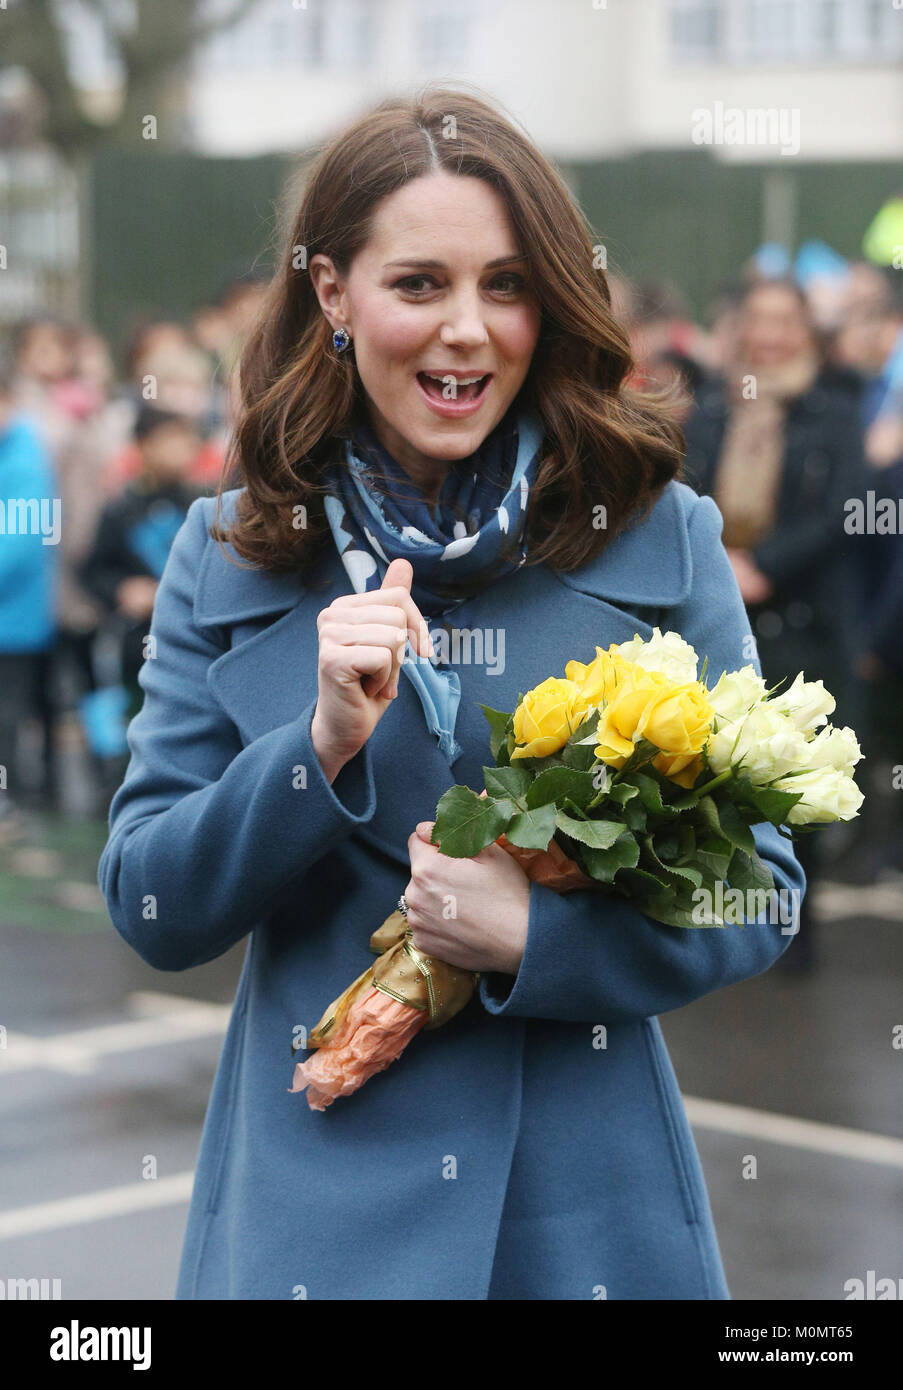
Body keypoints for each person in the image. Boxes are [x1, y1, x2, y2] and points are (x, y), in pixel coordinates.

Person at [97, 86, 804, 1301]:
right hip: (313, 1226)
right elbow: (151, 901)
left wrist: (542, 938)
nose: (468, 330)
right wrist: (315, 752)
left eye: (509, 285)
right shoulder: (227, 554)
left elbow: (763, 885)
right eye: (418, 284)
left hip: (583, 1220)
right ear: (333, 293)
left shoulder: (659, 537)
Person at [683, 278, 865, 967]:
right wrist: (720, 562)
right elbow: (683, 497)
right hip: (721, 608)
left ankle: (795, 927)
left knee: (801, 778)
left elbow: (844, 512)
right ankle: (726, 922)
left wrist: (765, 565)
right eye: (756, 320)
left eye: (783, 321)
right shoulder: (706, 411)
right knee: (722, 771)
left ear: (804, 331)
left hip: (806, 616)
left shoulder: (832, 413)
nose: (769, 335)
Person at [80, 405, 203, 720]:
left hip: (196, 644)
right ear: (143, 444)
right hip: (137, 647)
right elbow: (93, 571)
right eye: (168, 439)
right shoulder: (121, 510)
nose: (180, 448)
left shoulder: (202, 503)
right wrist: (123, 590)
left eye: (185, 438)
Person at [0, 359, 58, 838]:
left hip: (13, 618)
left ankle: (13, 799)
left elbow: (18, 544)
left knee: (9, 714)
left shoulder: (25, 457)